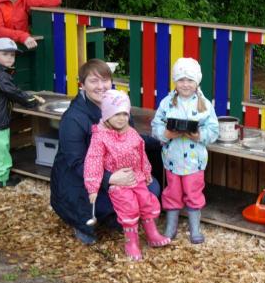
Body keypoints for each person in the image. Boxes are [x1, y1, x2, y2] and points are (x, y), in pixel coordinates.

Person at [50, 59, 162, 245]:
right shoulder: (73, 119)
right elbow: (75, 163)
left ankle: (121, 218)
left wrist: (162, 142)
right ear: (82, 85)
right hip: (79, 180)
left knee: (152, 187)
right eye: (94, 81)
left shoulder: (115, 105)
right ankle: (83, 221)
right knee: (106, 203)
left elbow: (132, 137)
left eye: (105, 80)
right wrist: (110, 178)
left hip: (117, 170)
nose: (101, 86)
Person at [84, 90, 170, 261]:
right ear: (107, 114)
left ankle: (152, 234)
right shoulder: (100, 137)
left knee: (146, 202)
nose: (121, 118)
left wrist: (146, 172)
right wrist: (92, 187)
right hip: (119, 183)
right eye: (116, 114)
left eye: (124, 113)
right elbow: (93, 162)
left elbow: (141, 152)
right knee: (129, 208)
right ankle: (131, 242)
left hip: (136, 177)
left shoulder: (130, 131)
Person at [151, 58, 219, 244]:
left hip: (194, 161)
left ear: (197, 81)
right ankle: (170, 227)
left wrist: (198, 135)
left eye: (190, 80)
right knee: (172, 192)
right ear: (175, 81)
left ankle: (195, 228)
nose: (185, 84)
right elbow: (156, 125)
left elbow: (214, 130)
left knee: (193, 192)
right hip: (172, 160)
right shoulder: (167, 103)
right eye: (181, 80)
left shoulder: (204, 104)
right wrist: (166, 133)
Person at [0, 37, 45, 188]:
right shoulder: (1, 75)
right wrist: (31, 101)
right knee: (0, 148)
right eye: (5, 54)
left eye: (12, 55)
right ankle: (1, 178)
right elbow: (13, 92)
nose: (9, 58)